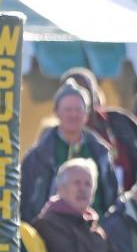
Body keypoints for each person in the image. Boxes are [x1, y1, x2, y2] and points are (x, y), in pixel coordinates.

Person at [21, 81, 118, 222]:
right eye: (68, 110)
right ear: (57, 112)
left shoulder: (101, 153)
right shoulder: (37, 157)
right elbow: (26, 203)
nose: (73, 115)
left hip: (93, 232)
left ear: (86, 113)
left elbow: (112, 197)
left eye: (78, 109)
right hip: (49, 232)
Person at [60, 67, 137, 191]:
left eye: (84, 91)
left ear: (94, 93)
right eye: (71, 95)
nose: (79, 98)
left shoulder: (120, 122)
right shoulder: (53, 139)